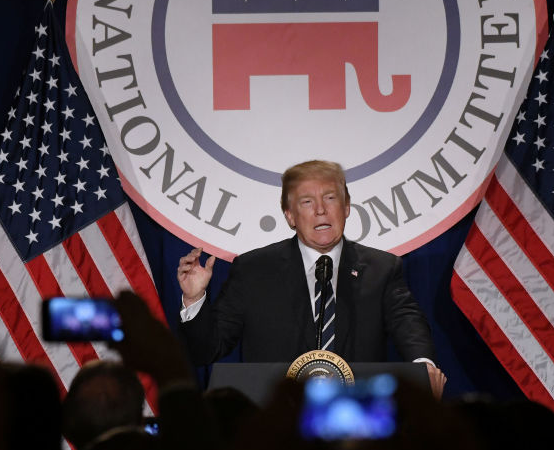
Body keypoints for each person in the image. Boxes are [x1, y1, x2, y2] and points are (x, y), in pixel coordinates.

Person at [177, 159, 446, 397]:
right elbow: (208, 350)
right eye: (307, 202)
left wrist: (424, 367)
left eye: (330, 198)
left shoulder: (382, 268)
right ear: (290, 216)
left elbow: (408, 323)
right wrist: (194, 298)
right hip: (276, 426)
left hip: (357, 426)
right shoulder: (253, 270)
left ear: (347, 207)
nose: (321, 210)